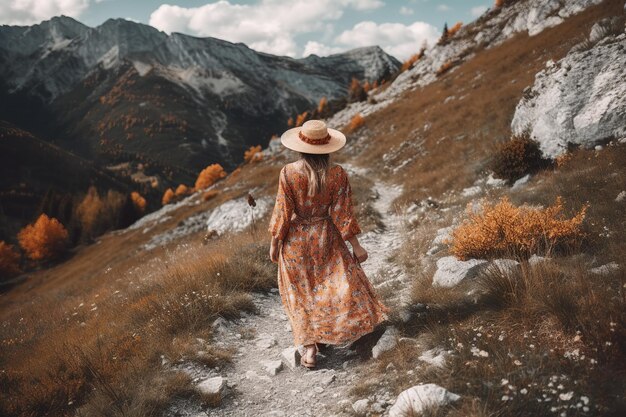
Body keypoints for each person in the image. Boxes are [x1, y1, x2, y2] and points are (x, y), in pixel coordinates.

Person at [268, 119, 389, 369]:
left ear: (300, 146)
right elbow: (343, 213)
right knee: (329, 286)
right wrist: (356, 246)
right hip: (327, 237)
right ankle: (329, 333)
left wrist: (274, 243)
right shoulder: (337, 174)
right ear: (328, 147)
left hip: (296, 241)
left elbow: (282, 211)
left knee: (300, 294)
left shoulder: (288, 173)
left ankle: (310, 349)